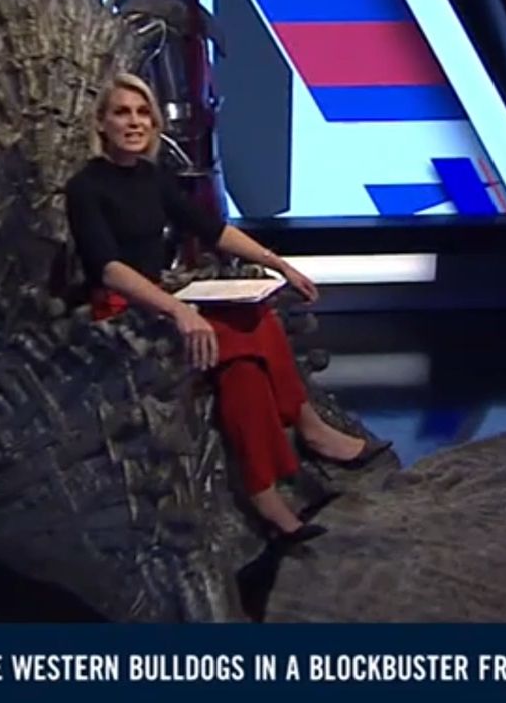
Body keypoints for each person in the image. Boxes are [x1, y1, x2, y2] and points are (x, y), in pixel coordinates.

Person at [64, 73, 391, 546]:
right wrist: (180, 312)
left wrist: (280, 264)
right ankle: (309, 431)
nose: (133, 122)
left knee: (244, 369)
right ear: (101, 123)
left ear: (153, 123)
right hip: (119, 314)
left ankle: (267, 496)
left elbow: (212, 229)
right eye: (121, 113)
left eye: (142, 113)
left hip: (161, 300)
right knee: (248, 327)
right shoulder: (85, 187)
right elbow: (110, 270)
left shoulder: (153, 178)